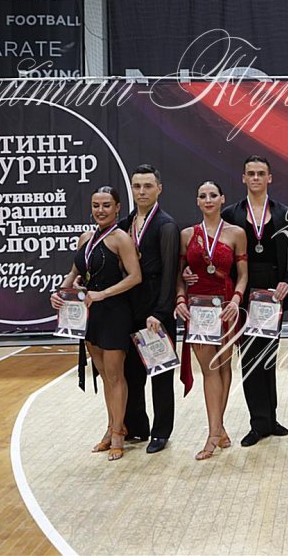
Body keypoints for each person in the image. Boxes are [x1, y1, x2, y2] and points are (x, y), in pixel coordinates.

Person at [50, 186, 141, 461]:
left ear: (117, 208)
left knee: (115, 376)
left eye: (106, 205)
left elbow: (135, 276)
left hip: (114, 312)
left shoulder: (121, 238)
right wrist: (60, 291)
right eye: (96, 205)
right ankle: (112, 427)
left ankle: (118, 434)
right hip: (91, 314)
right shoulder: (86, 238)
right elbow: (74, 272)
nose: (100, 210)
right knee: (103, 375)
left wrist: (103, 294)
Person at [220, 156, 288, 447]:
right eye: (250, 173)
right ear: (243, 178)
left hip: (273, 295)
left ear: (269, 178)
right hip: (243, 293)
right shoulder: (230, 214)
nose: (255, 178)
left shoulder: (284, 213)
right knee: (250, 359)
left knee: (268, 358)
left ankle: (271, 419)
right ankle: (258, 423)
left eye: (260, 173)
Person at [174, 181, 248, 460]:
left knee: (224, 367)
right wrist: (180, 298)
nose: (208, 199)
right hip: (198, 309)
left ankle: (217, 429)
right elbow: (179, 275)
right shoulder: (186, 235)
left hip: (226, 306)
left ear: (222, 199)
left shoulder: (236, 233)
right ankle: (214, 432)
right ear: (197, 201)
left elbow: (243, 274)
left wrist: (237, 300)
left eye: (213, 195)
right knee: (209, 370)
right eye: (202, 196)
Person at [119, 164, 180, 454]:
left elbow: (170, 273)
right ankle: (137, 427)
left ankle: (161, 432)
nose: (142, 191)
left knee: (161, 373)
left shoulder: (166, 225)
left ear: (159, 189)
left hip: (157, 307)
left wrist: (161, 311)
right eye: (137, 186)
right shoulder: (125, 223)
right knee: (132, 372)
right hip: (129, 305)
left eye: (147, 186)